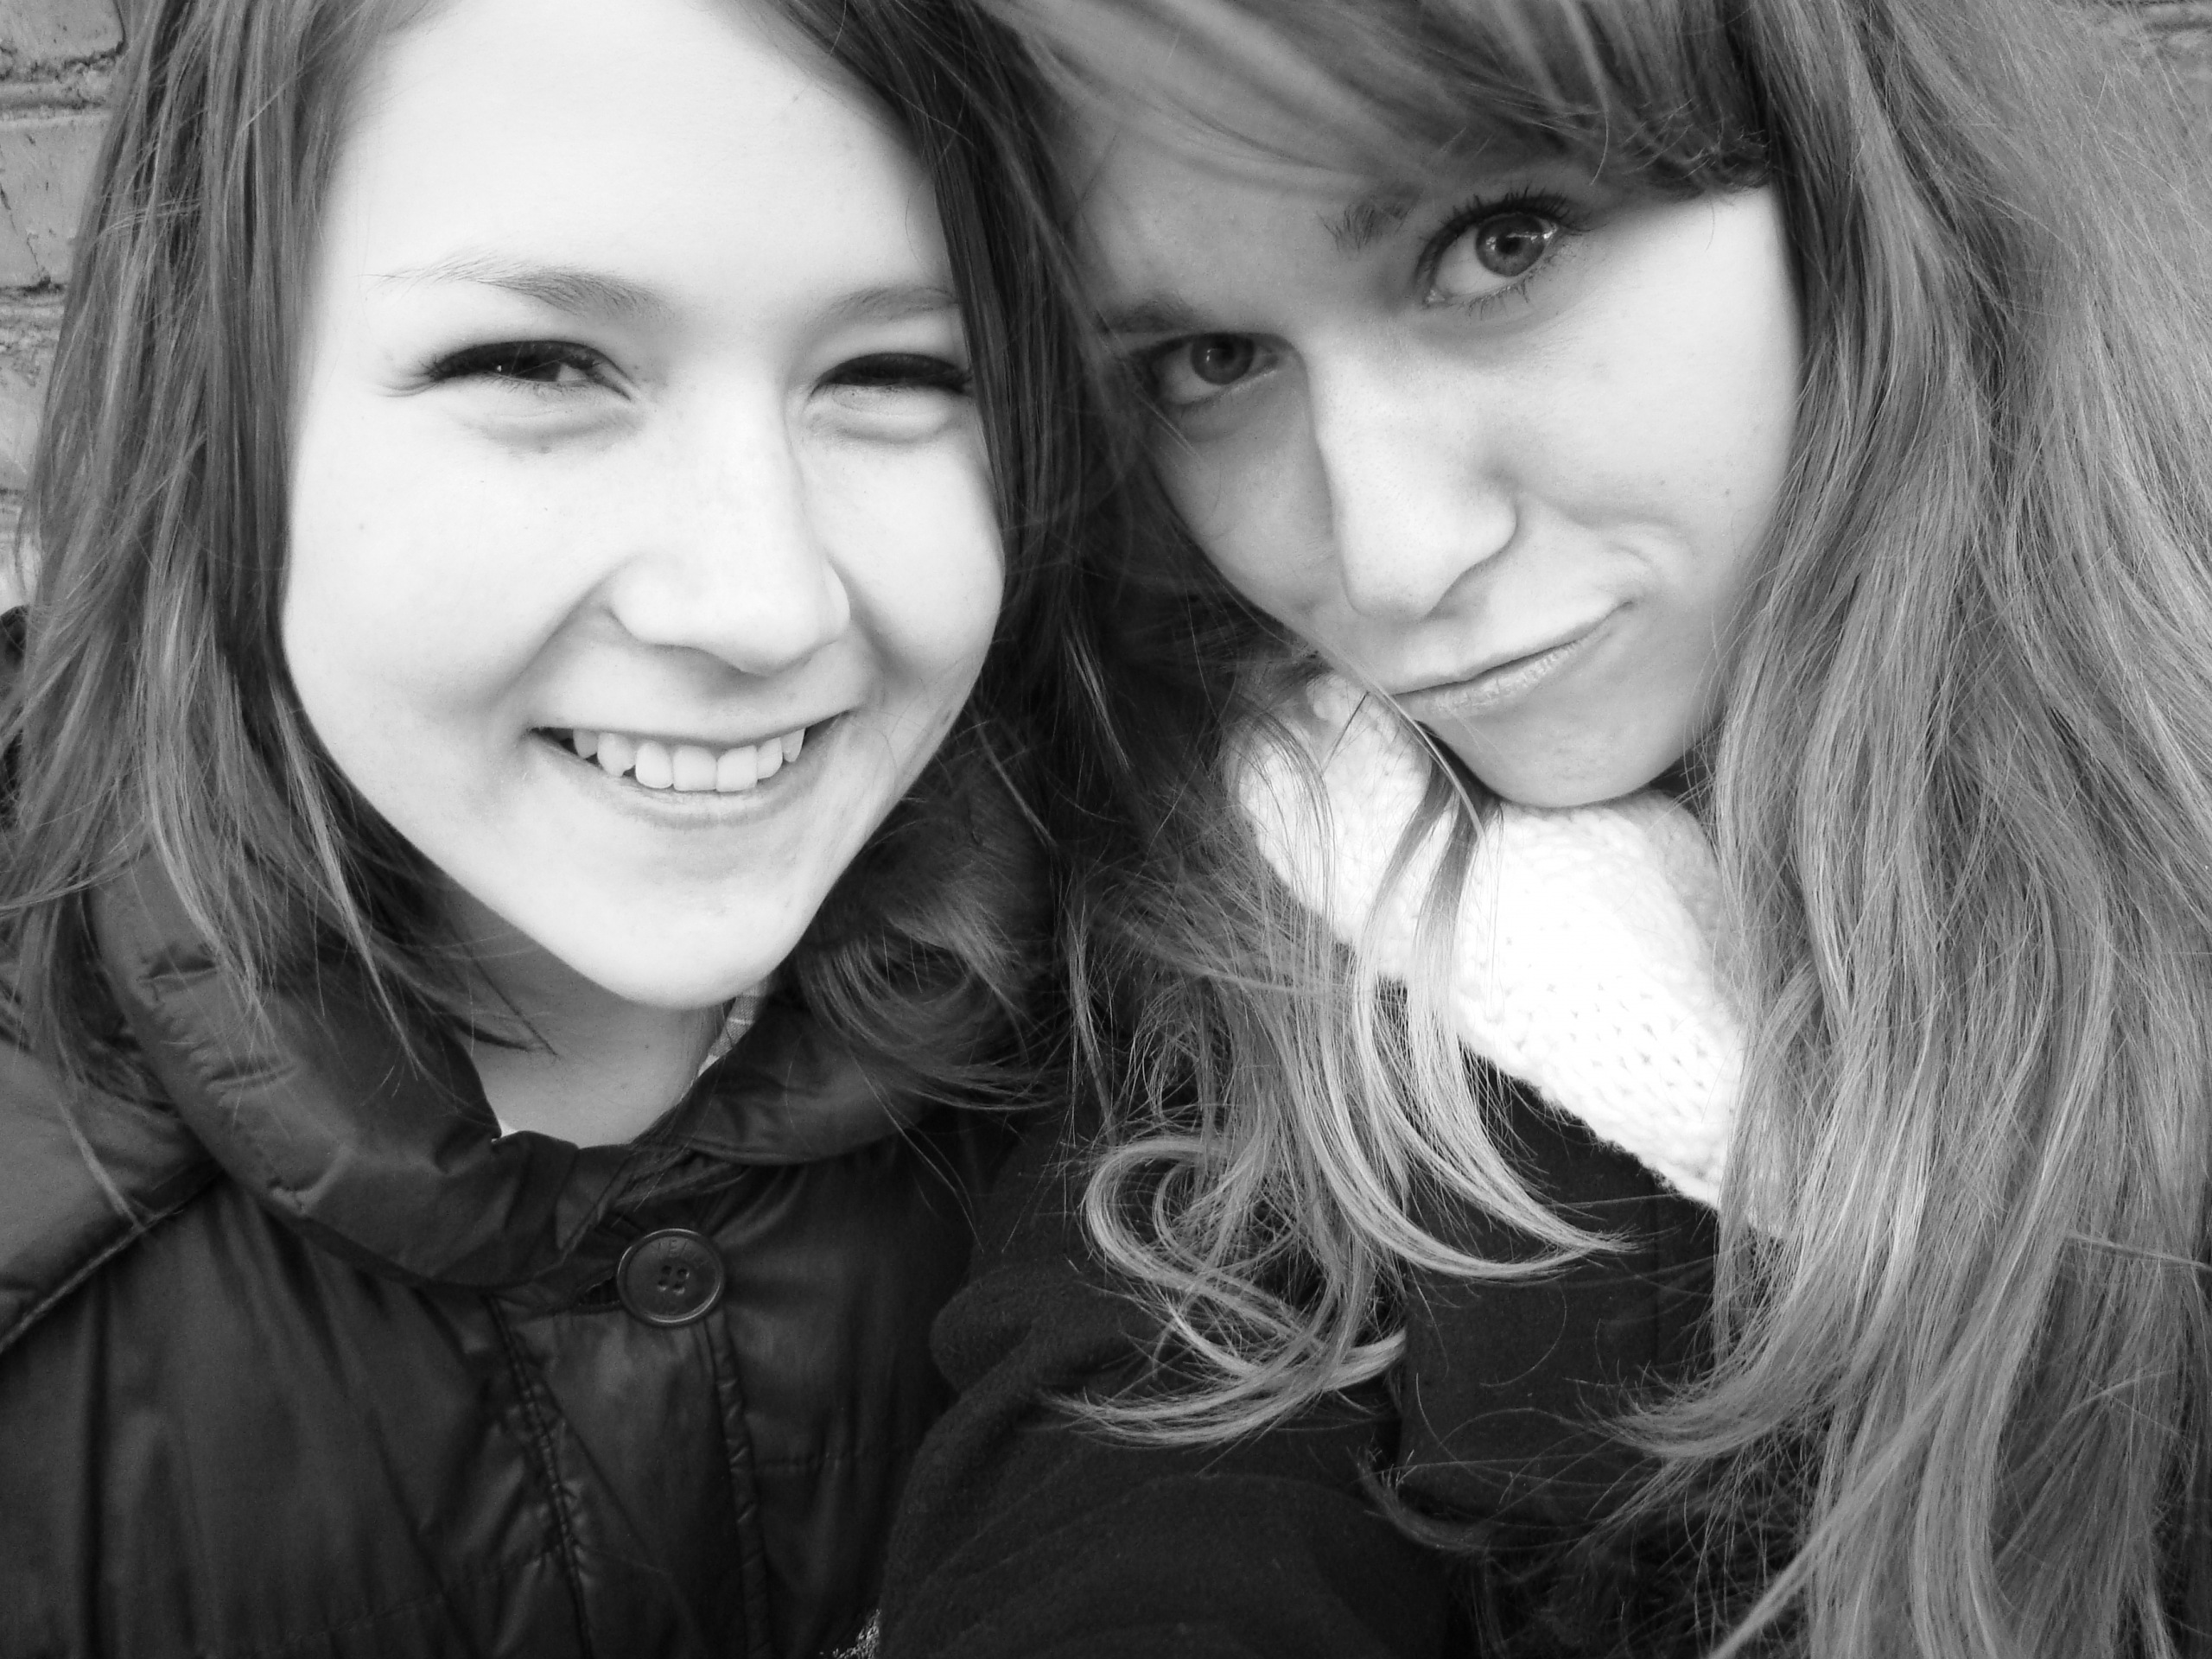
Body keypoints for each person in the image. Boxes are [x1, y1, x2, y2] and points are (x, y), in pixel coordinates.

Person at [879, 1, 2212, 1656]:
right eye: (1210, 361)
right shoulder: (1248, 934)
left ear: (1856, 173)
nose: (1390, 558)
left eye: (1498, 245)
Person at [0, 0, 1101, 1653]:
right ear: (211, 395)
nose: (761, 601)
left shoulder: (1183, 1023)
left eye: (897, 372)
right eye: (535, 366)